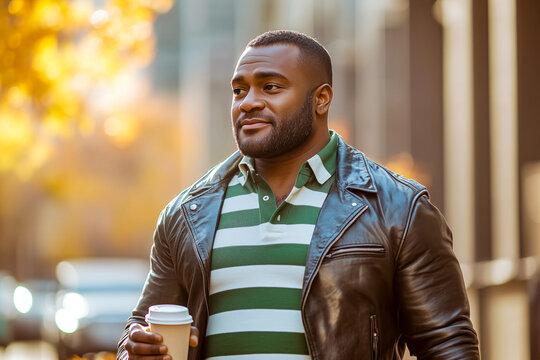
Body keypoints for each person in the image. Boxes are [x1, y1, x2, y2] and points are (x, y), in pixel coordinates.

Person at [117, 30, 479, 360]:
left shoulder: (399, 208)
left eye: (271, 87)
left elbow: (447, 346)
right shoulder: (187, 215)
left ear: (321, 99)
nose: (248, 103)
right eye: (239, 90)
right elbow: (140, 330)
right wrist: (136, 350)